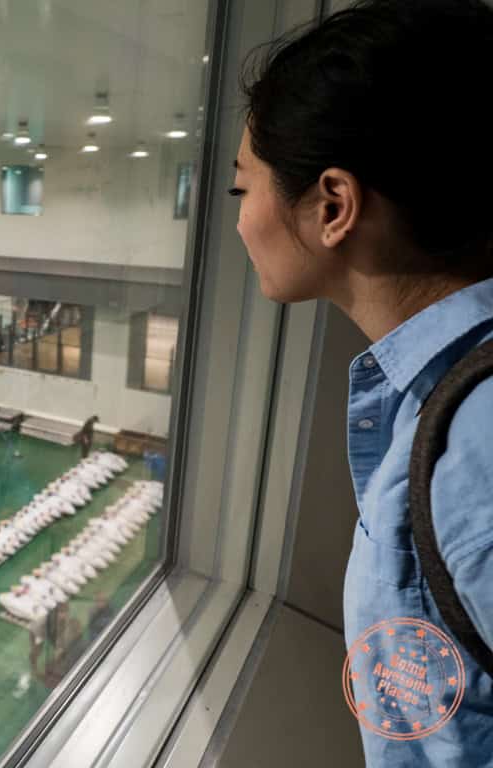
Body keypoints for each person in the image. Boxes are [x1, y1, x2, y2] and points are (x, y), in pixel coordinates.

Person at [235, 2, 493, 763]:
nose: (243, 221)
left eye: (239, 189)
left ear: (333, 206)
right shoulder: (444, 405)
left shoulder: (474, 451)